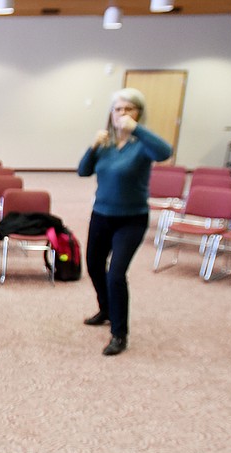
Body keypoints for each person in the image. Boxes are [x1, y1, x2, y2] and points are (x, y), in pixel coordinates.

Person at [77, 88, 172, 356]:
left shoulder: (143, 145)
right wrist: (93, 145)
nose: (122, 114)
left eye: (129, 109)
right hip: (101, 215)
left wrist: (137, 129)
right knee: (94, 266)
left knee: (115, 274)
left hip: (131, 219)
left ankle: (119, 333)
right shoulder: (105, 143)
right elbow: (83, 171)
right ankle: (105, 309)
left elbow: (165, 152)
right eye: (118, 109)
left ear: (138, 113)